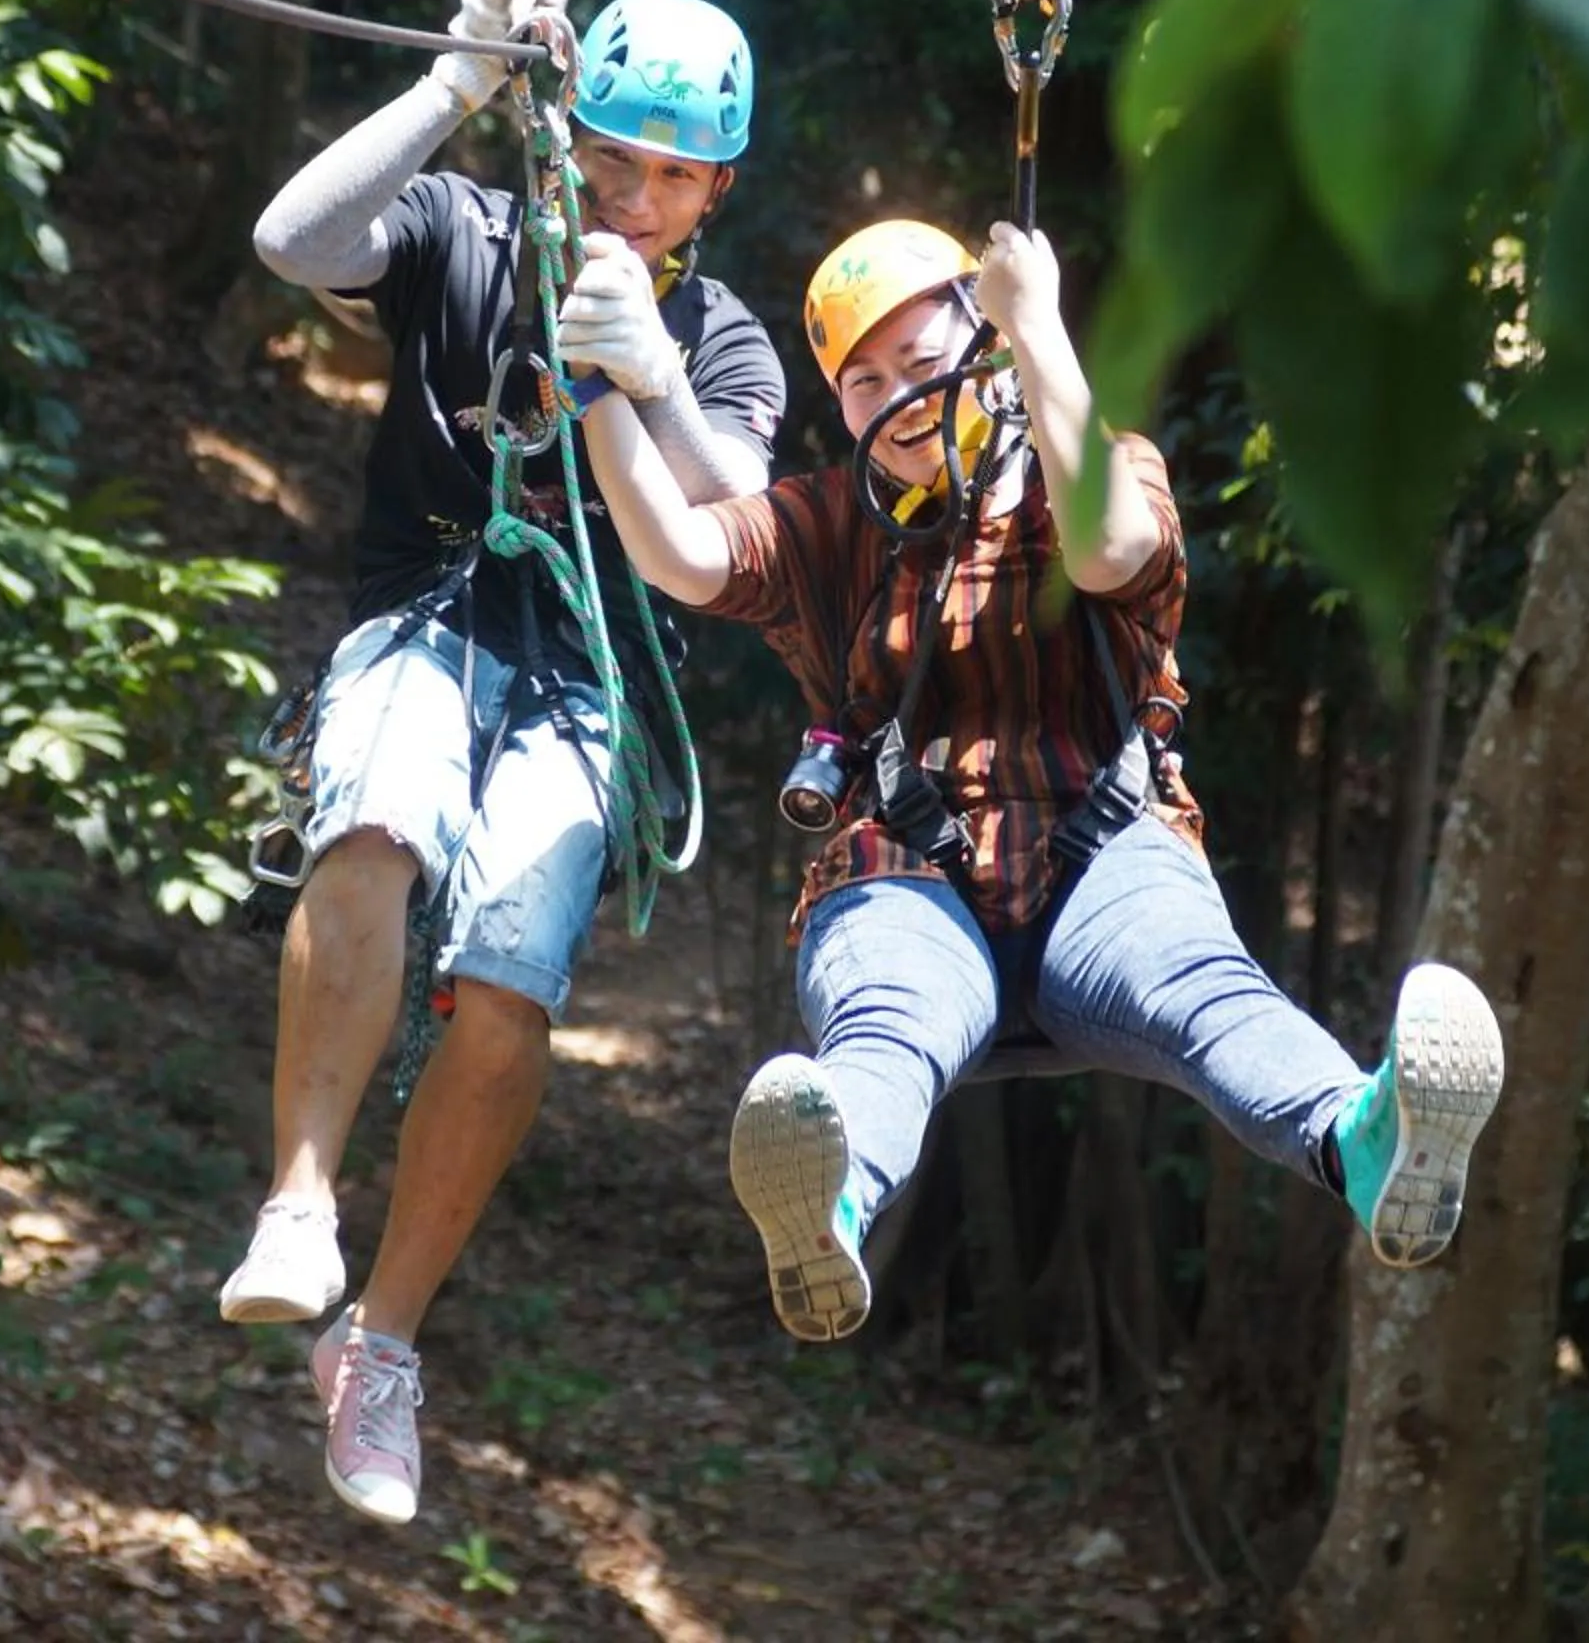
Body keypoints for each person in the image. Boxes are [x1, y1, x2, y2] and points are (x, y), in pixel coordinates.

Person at [571, 215, 1506, 1342]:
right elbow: (680, 551)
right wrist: (596, 391)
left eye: (926, 364)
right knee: (889, 1025)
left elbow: (1110, 550)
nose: (902, 399)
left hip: (1101, 853)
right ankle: (830, 1201)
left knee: (1208, 995)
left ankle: (1368, 1136)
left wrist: (1040, 326)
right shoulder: (830, 522)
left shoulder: (1099, 465)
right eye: (866, 382)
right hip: (905, 870)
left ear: (989, 352)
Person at [224, 0, 786, 1520]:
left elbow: (734, 519)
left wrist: (649, 373)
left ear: (717, 192)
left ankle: (382, 1348)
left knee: (514, 991)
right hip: (427, 615)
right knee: (378, 823)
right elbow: (292, 241)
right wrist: (452, 77)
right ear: (563, 131)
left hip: (583, 684)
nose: (634, 198)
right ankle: (299, 1205)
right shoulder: (470, 232)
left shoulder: (730, 340)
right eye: (610, 156)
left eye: (674, 178)